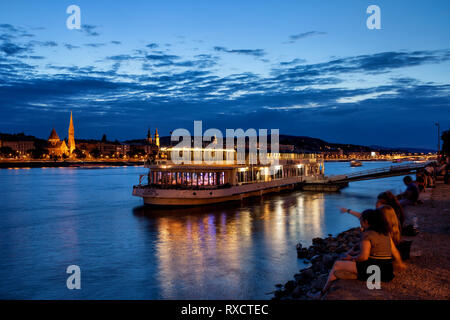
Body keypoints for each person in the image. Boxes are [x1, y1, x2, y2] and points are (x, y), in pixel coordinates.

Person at [321, 209, 405, 295]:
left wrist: (352, 258)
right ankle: (356, 275)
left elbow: (364, 257)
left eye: (360, 220)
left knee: (338, 264)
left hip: (375, 271)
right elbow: (383, 252)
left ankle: (322, 292)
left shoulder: (367, 235)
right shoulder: (385, 232)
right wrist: (400, 262)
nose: (359, 222)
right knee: (351, 261)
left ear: (366, 221)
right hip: (387, 272)